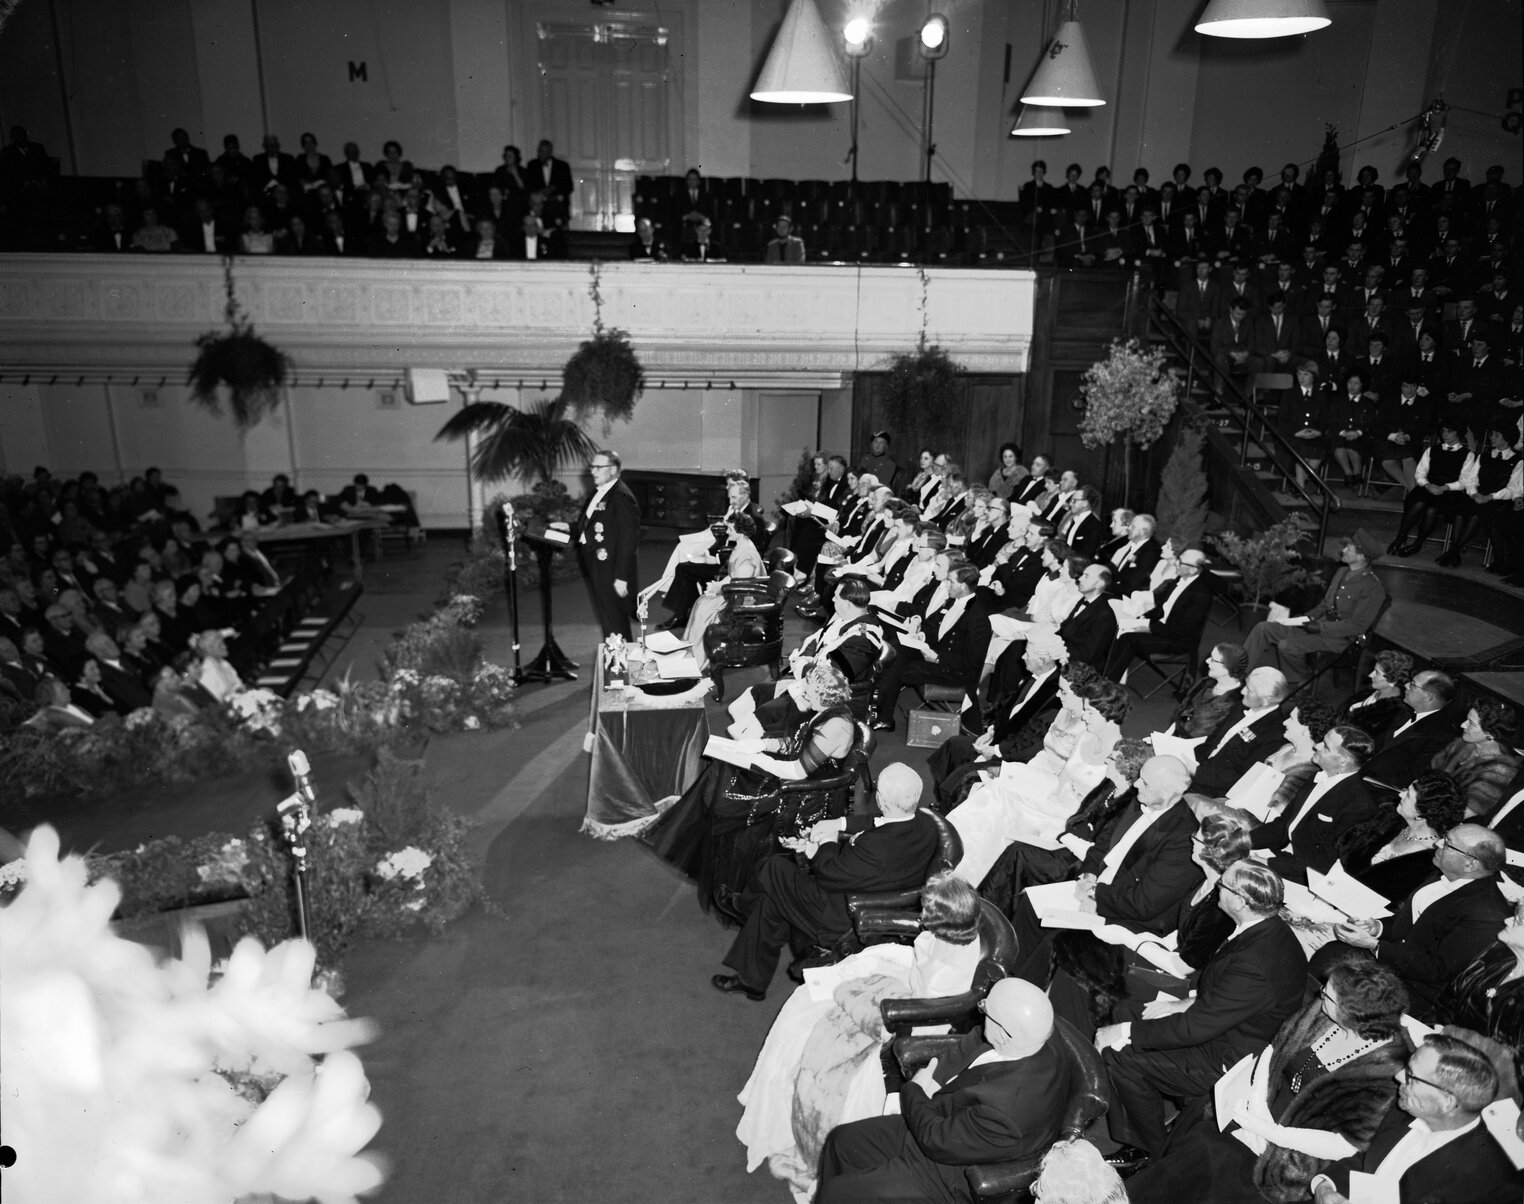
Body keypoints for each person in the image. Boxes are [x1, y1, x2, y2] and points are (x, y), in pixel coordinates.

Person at [736, 872, 984, 1203]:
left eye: (927, 912)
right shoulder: (956, 938)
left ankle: (806, 1143)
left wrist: (861, 1005)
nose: (922, 916)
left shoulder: (945, 977)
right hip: (906, 991)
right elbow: (921, 957)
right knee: (805, 1004)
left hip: (910, 1020)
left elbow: (924, 1020)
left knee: (808, 1028)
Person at [1124, 959, 1409, 1204]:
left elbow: (1345, 1145)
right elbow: (1275, 1050)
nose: (1321, 995)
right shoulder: (1323, 1014)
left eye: (1328, 995)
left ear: (1354, 1014)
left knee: (1213, 1157)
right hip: (1261, 1108)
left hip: (1299, 1149)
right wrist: (1257, 1100)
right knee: (1198, 1138)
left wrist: (1269, 1132)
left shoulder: (1385, 1069)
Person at [1099, 861, 1309, 1157]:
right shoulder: (1265, 929)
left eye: (1222, 885)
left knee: (1119, 1055)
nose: (1216, 889)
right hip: (1223, 1025)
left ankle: (1149, 1149)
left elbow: (1194, 1028)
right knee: (1125, 1010)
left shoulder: (1258, 962)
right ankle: (1145, 1108)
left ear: (1239, 901)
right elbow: (1226, 995)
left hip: (1226, 1056)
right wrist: (1180, 1003)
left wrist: (1124, 1033)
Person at [816, 978, 1073, 1204]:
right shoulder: (1032, 1034)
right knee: (840, 1141)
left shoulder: (1007, 1112)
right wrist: (935, 1079)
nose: (980, 1009)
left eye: (985, 1009)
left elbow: (934, 1140)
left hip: (948, 1173)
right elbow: (971, 1042)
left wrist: (915, 1089)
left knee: (835, 1194)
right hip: (945, 1122)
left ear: (1005, 1035)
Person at [710, 761, 941, 1001]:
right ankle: (752, 981)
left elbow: (829, 874)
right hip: (871, 893)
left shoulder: (876, 848)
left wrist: (824, 843)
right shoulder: (926, 824)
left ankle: (741, 906)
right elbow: (878, 821)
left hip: (841, 915)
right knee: (772, 899)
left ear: (882, 799)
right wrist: (839, 823)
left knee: (774, 867)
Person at [644, 662, 856, 922]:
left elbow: (798, 770)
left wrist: (758, 759)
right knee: (720, 770)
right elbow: (797, 743)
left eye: (808, 691)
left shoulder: (836, 726)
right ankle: (715, 868)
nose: (803, 693)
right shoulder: (825, 712)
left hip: (806, 793)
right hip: (795, 777)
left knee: (727, 792)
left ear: (823, 695)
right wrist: (761, 744)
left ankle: (729, 880)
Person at [947, 676, 1134, 889]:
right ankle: (954, 858)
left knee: (1006, 810)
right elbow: (1062, 780)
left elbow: (1103, 809)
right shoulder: (1086, 737)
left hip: (1074, 814)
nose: (1085, 717)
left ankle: (970, 877)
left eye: (1090, 713)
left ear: (1108, 715)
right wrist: (1034, 793)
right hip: (1056, 794)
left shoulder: (1118, 755)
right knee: (994, 793)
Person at [1307, 1033, 1521, 1202]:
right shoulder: (1406, 1109)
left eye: (1411, 1075)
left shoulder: (1488, 1182)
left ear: (1447, 1101)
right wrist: (1325, 1186)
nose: (1398, 1076)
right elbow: (1368, 1161)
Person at [1334, 824, 1512, 1019]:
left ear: (1470, 864)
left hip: (1411, 990)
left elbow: (1436, 969)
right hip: (1391, 962)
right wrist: (1377, 928)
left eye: (1448, 844)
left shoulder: (1487, 913)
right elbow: (1410, 924)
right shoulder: (1442, 872)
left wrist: (1374, 945)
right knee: (1329, 953)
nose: (1437, 843)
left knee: (1333, 974)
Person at [727, 577, 885, 739]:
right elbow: (816, 640)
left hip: (823, 700)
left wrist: (802, 665)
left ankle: (760, 752)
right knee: (741, 704)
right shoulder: (845, 617)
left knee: (750, 725)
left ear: (848, 604)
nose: (832, 599)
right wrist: (806, 659)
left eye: (836, 596)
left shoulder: (862, 638)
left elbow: (829, 679)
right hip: (807, 682)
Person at [928, 630, 1068, 808]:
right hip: (1000, 739)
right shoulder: (1033, 678)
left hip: (1015, 756)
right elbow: (1008, 711)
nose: (1023, 657)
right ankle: (947, 802)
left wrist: (997, 750)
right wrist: (991, 731)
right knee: (953, 746)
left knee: (964, 773)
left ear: (1043, 660)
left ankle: (951, 810)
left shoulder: (1055, 696)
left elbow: (1032, 738)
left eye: (1028, 654)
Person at [1242, 531, 1387, 689]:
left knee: (1286, 646)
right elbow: (1325, 604)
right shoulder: (1342, 572)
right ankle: (1238, 671)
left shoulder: (1373, 588)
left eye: (1349, 548)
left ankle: (1301, 680)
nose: (1343, 550)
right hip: (1317, 626)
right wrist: (1305, 618)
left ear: (1361, 556)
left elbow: (1358, 625)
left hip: (1340, 638)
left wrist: (1320, 627)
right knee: (1263, 628)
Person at [871, 563, 990, 731]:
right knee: (899, 649)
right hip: (936, 654)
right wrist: (921, 636)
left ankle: (880, 710)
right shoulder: (952, 600)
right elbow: (935, 626)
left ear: (962, 586)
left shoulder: (978, 618)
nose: (946, 585)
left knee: (905, 668)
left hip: (954, 671)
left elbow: (972, 660)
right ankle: (877, 706)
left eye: (950, 581)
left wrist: (937, 658)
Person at [1102, 546, 1214, 682]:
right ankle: (1103, 671)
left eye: (1181, 562)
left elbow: (1182, 630)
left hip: (1177, 640)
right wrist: (1142, 618)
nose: (1176, 563)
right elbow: (1161, 608)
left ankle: (1108, 681)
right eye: (1178, 559)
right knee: (1117, 623)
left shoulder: (1201, 595)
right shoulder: (1177, 581)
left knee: (1128, 637)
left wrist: (1147, 627)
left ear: (1194, 570)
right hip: (1162, 627)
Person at [570, 450, 640, 640]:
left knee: (614, 619)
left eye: (599, 467)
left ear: (614, 469)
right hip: (598, 564)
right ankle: (615, 660)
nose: (593, 471)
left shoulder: (621, 498)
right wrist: (568, 527)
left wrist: (621, 577)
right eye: (593, 467)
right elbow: (589, 525)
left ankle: (620, 664)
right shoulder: (601, 492)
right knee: (608, 616)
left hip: (611, 567)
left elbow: (628, 541)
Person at [1440, 898, 1524, 1057]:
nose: (1507, 920)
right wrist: (1434, 1027)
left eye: (1518, 920)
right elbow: (1448, 1000)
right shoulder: (1498, 952)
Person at [1190, 666, 1290, 798]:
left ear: (1265, 699)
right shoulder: (1242, 705)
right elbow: (1214, 740)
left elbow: (1240, 778)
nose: (1242, 691)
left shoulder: (1275, 734)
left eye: (1249, 690)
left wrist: (1195, 771)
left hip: (1214, 790)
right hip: (1201, 767)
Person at [685, 513, 764, 672]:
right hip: (735, 591)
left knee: (706, 610)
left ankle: (698, 660)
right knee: (702, 602)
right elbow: (733, 576)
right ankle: (691, 654)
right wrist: (719, 584)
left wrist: (719, 588)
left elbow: (741, 584)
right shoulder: (741, 544)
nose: (727, 532)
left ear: (740, 531)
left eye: (730, 528)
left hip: (744, 599)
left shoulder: (748, 554)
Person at [1362, 668, 1462, 789]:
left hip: (1378, 787)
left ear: (1428, 697)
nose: (1406, 685)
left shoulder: (1441, 735)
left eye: (1413, 685)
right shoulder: (1400, 707)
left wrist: (1363, 780)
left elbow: (1412, 778)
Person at [1429, 700, 1522, 817]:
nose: (1463, 725)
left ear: (1491, 734)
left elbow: (1463, 813)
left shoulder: (1501, 771)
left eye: (1471, 723)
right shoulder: (1461, 744)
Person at [1167, 642, 1247, 738]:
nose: (1207, 661)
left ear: (1227, 668)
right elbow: (1183, 712)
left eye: (1213, 660)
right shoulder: (1205, 682)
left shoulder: (1235, 703)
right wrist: (1168, 735)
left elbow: (1211, 739)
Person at [1336, 648, 1413, 735]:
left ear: (1392, 679)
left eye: (1377, 673)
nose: (1370, 675)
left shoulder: (1389, 713)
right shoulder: (1374, 691)